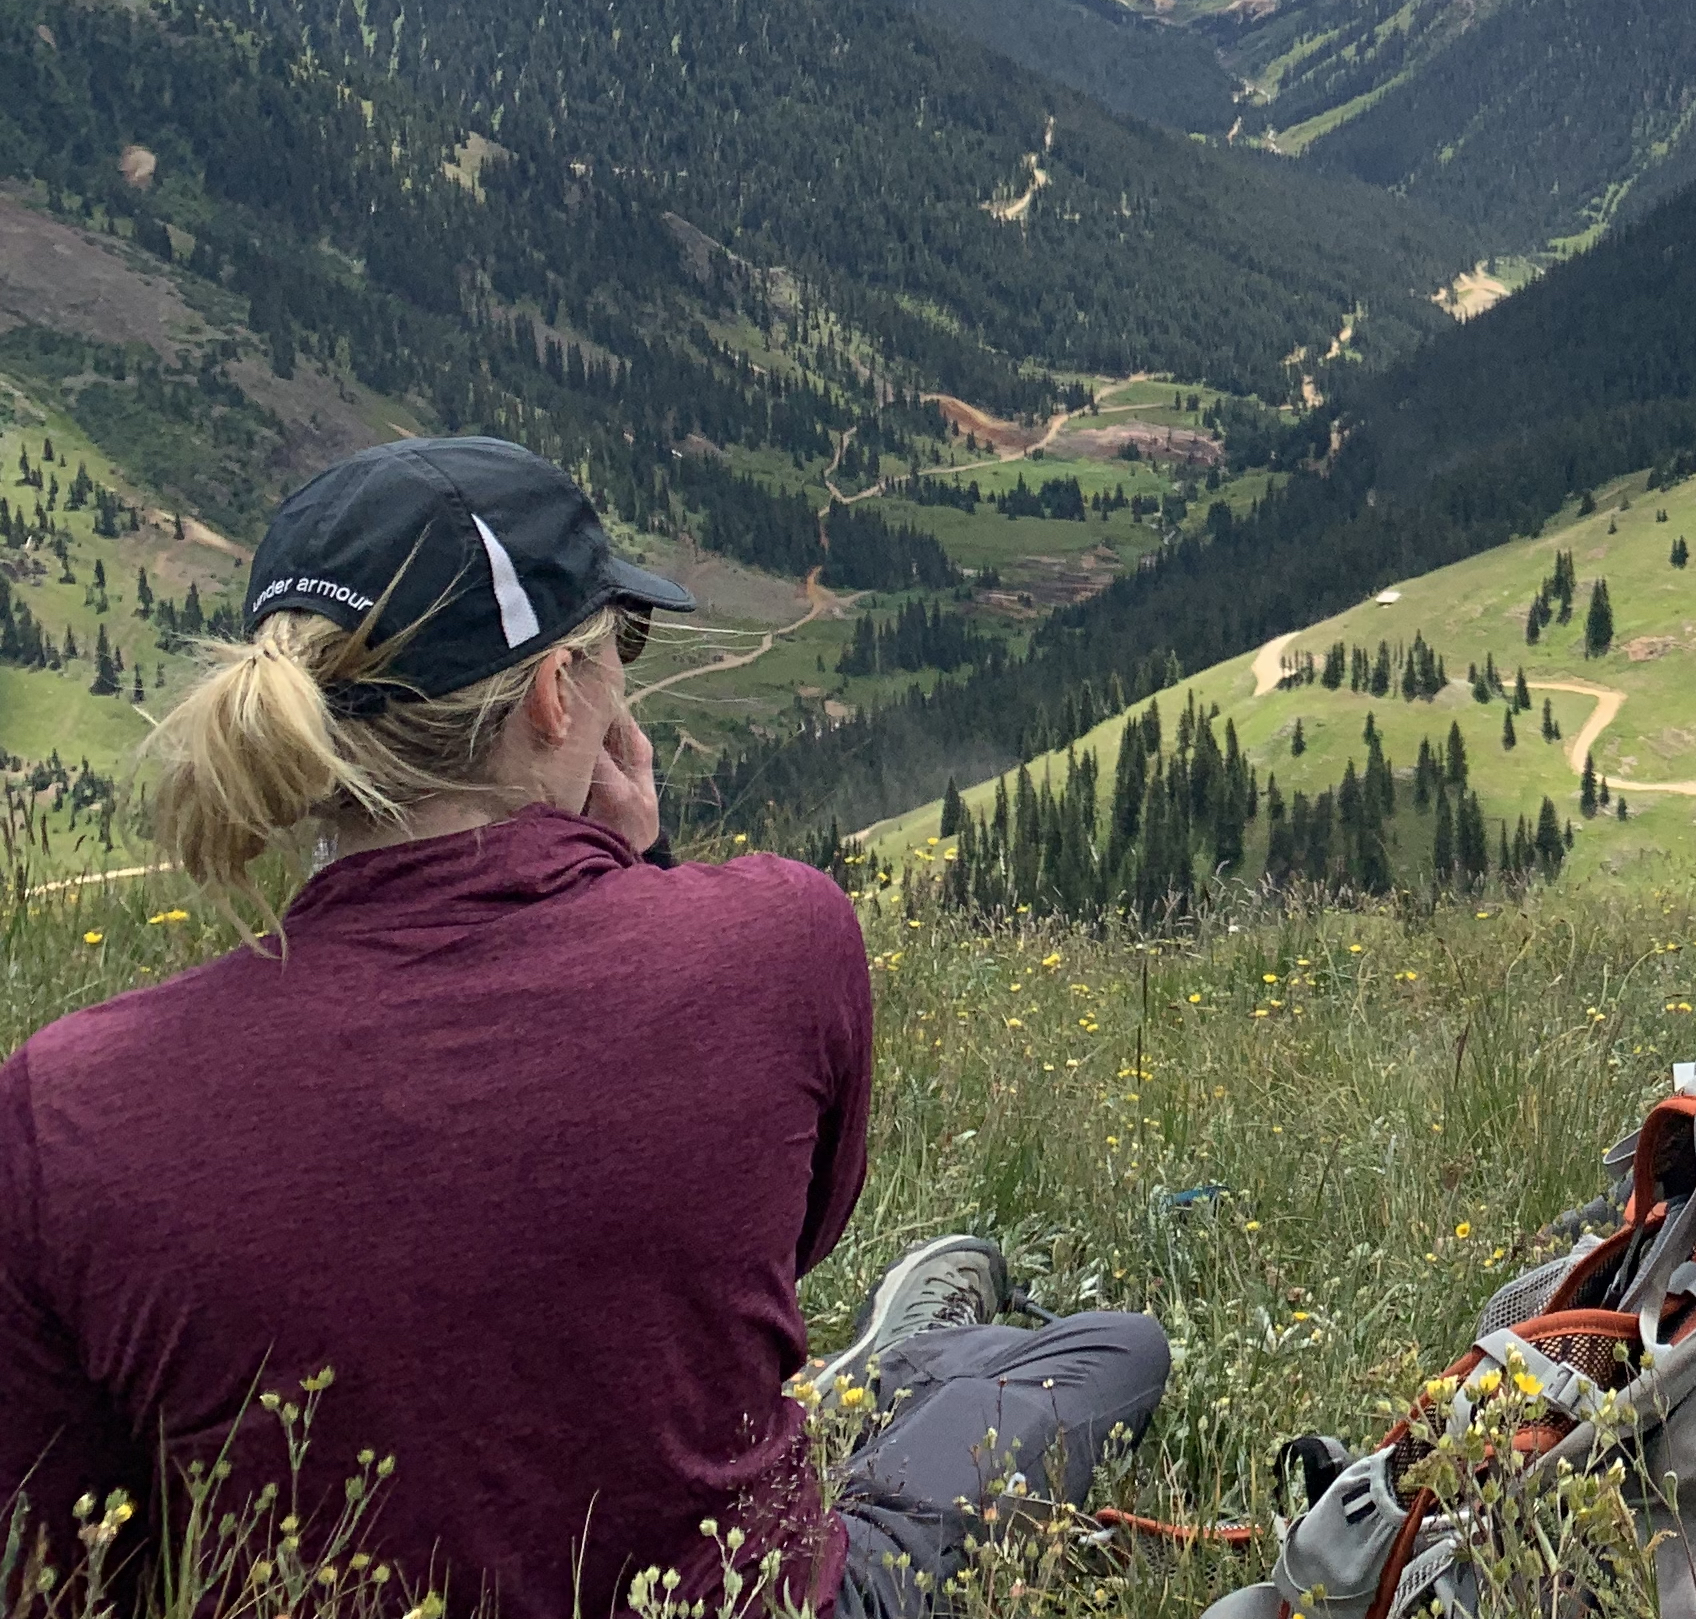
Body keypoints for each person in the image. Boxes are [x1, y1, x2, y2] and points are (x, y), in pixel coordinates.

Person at [0, 437, 1169, 1619]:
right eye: (623, 649)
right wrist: (635, 859)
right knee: (1111, 1354)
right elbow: (778, 1248)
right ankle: (872, 1402)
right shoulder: (779, 939)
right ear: (557, 696)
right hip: (746, 1595)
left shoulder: (69, 1103)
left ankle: (876, 1384)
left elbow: (58, 1561)